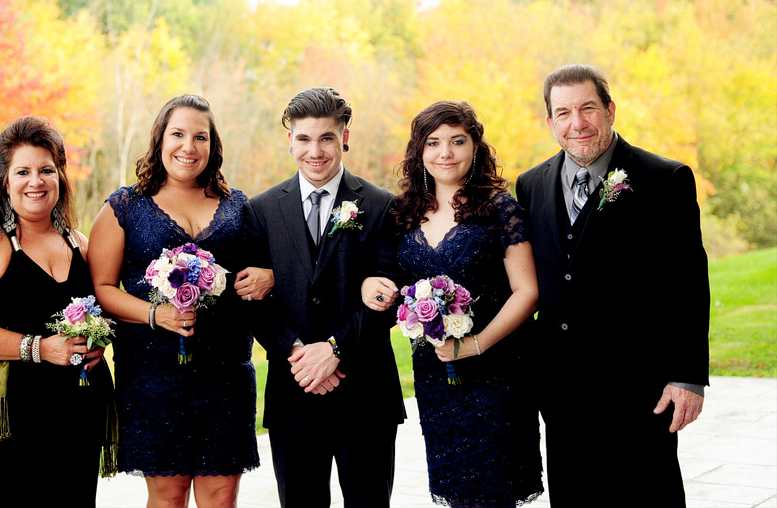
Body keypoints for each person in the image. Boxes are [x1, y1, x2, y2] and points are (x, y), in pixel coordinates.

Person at [515, 64, 710, 507]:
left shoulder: (664, 179)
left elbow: (688, 283)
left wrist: (688, 376)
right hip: (561, 391)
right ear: (550, 123)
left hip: (638, 388)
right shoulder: (530, 185)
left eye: (588, 108)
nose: (577, 123)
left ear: (610, 110)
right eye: (563, 113)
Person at [88, 94, 273, 508]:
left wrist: (268, 275)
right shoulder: (125, 207)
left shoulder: (239, 207)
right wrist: (156, 314)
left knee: (222, 496)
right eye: (178, 134)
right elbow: (102, 288)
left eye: (200, 137)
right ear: (159, 140)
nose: (188, 147)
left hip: (225, 374)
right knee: (168, 497)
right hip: (153, 376)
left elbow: (263, 273)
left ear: (213, 146)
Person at [362, 100, 544, 507]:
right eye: (434, 142)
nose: (445, 152)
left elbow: (527, 291)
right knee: (457, 492)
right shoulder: (403, 213)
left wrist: (476, 343)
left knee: (494, 493)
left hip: (497, 371)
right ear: (419, 152)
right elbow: (389, 281)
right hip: (435, 375)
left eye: (457, 141)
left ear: (475, 147)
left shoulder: (501, 210)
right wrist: (372, 289)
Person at [242, 87, 406, 508]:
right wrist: (300, 353)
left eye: (326, 138)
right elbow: (253, 299)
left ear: (345, 137)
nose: (315, 151)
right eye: (304, 139)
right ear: (289, 141)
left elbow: (388, 295)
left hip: (364, 391)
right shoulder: (259, 210)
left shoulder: (382, 205)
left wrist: (334, 350)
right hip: (294, 391)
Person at [0, 116, 117, 507]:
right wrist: (41, 348)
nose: (35, 181)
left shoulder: (80, 243)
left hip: (77, 411)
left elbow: (105, 308)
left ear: (61, 178)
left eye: (46, 170)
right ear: (5, 181)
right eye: (22, 171)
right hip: (13, 416)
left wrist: (97, 341)